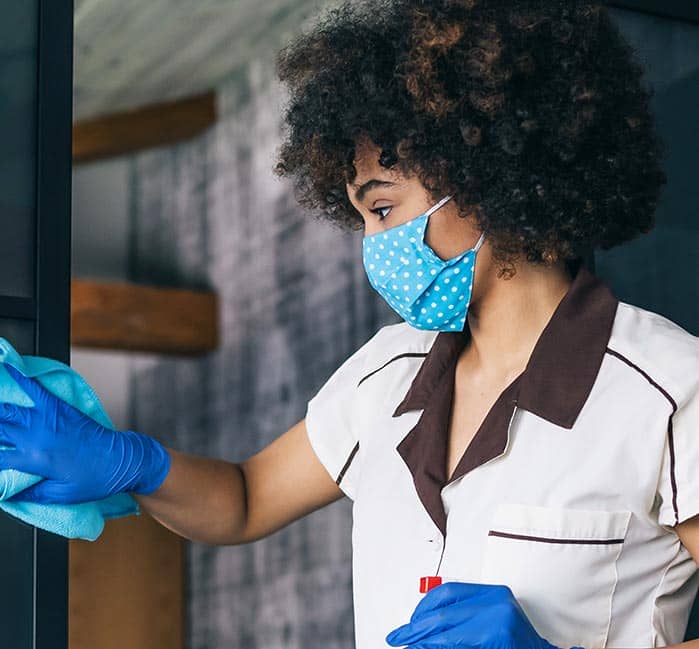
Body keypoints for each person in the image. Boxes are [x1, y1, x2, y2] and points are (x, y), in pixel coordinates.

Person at [0, 1, 697, 647]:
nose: (371, 243)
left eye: (384, 209)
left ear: (486, 183)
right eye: (360, 217)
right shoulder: (385, 370)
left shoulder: (668, 388)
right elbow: (245, 499)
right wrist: (135, 464)